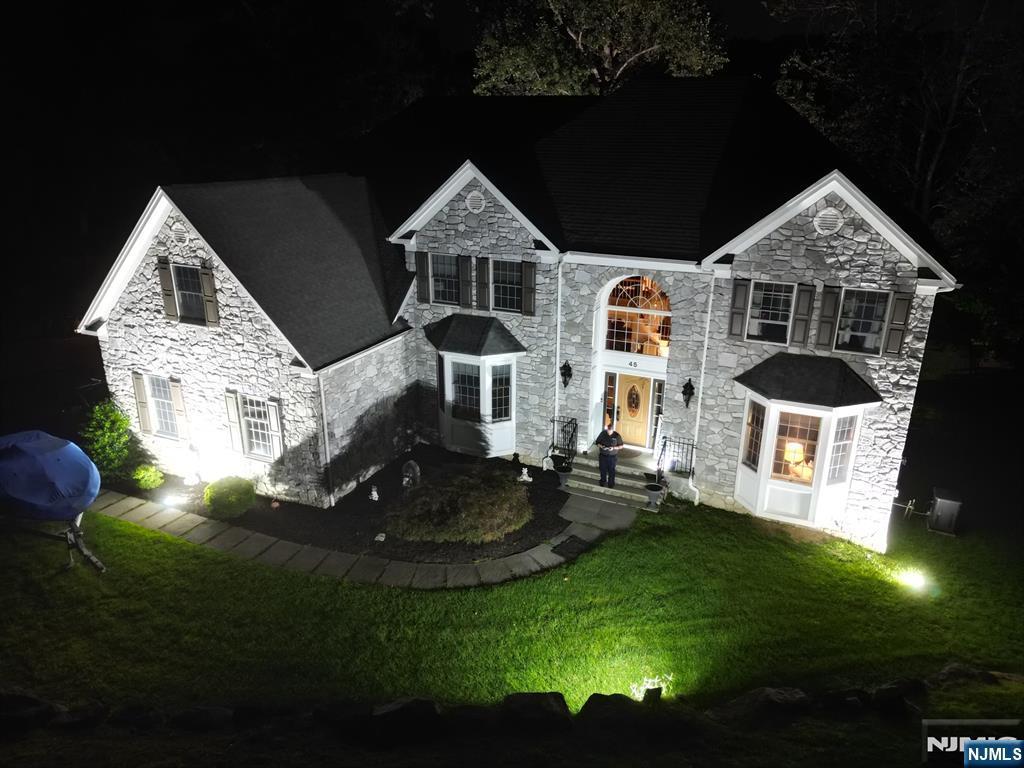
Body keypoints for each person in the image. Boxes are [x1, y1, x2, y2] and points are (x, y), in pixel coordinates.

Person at [594, 422, 624, 487]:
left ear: (613, 430)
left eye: (610, 431)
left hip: (612, 457)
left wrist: (613, 448)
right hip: (603, 455)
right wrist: (601, 446)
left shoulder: (617, 436)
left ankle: (611, 484)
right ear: (607, 429)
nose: (609, 432)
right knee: (602, 469)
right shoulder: (603, 434)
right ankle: (603, 482)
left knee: (611, 470)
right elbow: (597, 443)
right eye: (608, 430)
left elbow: (621, 446)